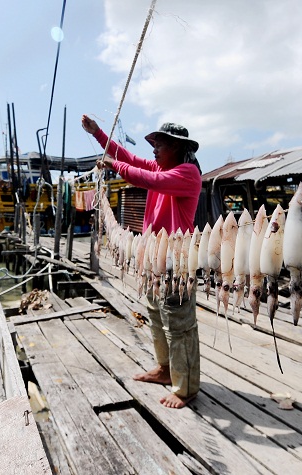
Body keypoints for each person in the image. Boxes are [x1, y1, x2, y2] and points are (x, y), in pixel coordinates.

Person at [82, 114, 203, 408]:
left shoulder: (187, 173)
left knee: (179, 322)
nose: (154, 149)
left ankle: (185, 388)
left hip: (177, 259)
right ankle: (164, 369)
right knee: (157, 315)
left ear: (176, 147)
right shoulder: (162, 165)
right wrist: (98, 133)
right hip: (153, 255)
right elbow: (129, 158)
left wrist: (113, 165)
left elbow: (147, 177)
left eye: (160, 144)